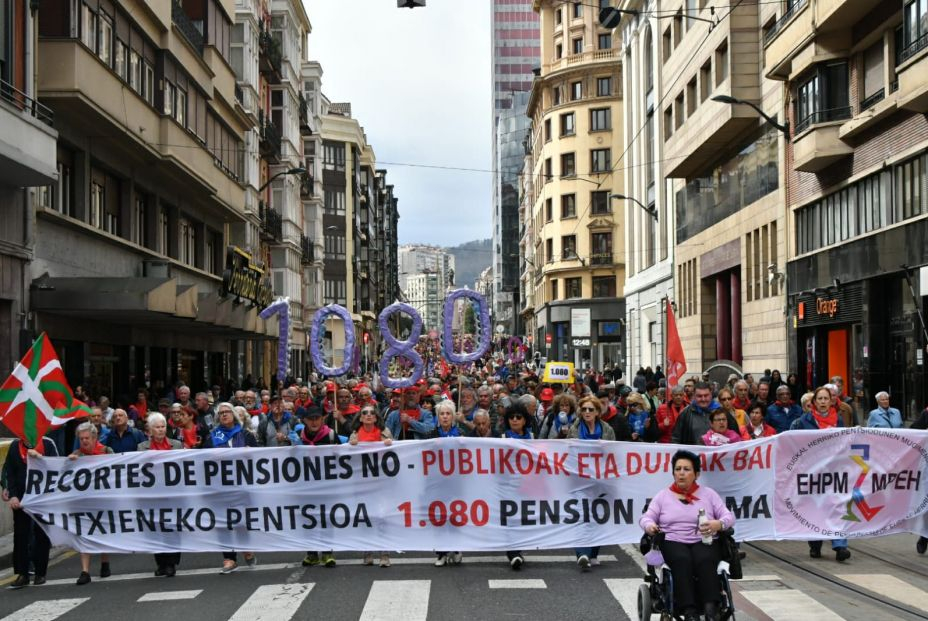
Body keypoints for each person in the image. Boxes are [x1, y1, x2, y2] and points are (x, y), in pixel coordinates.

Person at [640, 450, 735, 621]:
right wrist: (650, 526)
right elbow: (646, 518)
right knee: (682, 559)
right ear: (673, 473)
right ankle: (689, 611)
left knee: (705, 559)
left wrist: (718, 524)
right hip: (673, 540)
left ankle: (711, 608)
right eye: (678, 469)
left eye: (686, 469)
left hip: (704, 539)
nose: (681, 473)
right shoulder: (663, 496)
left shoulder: (709, 494)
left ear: (696, 474)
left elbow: (729, 517)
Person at [792, 387, 851, 562]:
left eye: (826, 398)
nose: (823, 402)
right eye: (820, 399)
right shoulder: (803, 421)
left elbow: (843, 443)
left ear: (831, 401)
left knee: (836, 506)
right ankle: (815, 544)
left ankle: (840, 545)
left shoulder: (838, 420)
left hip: (833, 471)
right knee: (814, 508)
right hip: (812, 472)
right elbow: (793, 443)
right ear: (814, 402)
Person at [3, 436, 59, 589]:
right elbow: (9, 471)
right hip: (21, 499)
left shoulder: (48, 444)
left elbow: (57, 467)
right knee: (21, 535)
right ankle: (22, 573)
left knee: (41, 533)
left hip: (42, 498)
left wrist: (40, 457)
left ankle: (40, 572)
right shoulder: (15, 446)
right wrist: (13, 495)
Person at [567, 395, 616, 571]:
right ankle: (582, 553)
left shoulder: (607, 429)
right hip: (579, 479)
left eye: (591, 409)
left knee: (598, 516)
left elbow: (614, 452)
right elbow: (568, 453)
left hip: (601, 480)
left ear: (597, 412)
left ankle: (593, 553)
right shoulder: (574, 429)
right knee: (582, 515)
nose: (587, 412)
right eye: (584, 409)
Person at [211, 403, 258, 573]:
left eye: (227, 412)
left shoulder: (246, 435)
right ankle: (229, 558)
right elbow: (201, 458)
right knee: (223, 522)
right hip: (220, 484)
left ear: (234, 415)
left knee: (241, 519)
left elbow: (260, 457)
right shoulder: (212, 437)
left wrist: (250, 452)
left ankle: (246, 548)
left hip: (242, 484)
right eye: (221, 413)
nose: (224, 415)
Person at [137, 413, 183, 577]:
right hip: (152, 495)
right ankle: (161, 563)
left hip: (172, 494)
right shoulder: (142, 447)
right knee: (155, 528)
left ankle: (171, 563)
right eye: (157, 427)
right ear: (150, 430)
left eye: (163, 426)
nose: (161, 430)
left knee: (171, 527)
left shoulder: (176, 445)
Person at [69, 422, 115, 585]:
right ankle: (85, 571)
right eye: (81, 439)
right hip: (84, 502)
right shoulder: (76, 456)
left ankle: (105, 562)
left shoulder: (106, 451)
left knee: (103, 532)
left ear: (95, 438)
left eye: (87, 438)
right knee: (84, 534)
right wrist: (69, 463)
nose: (84, 441)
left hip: (103, 500)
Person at [349, 406, 394, 567]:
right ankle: (367, 551)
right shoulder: (354, 435)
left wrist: (390, 444)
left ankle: (384, 554)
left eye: (372, 413)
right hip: (362, 483)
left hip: (381, 482)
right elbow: (349, 458)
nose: (368, 415)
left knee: (382, 517)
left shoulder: (385, 433)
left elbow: (396, 453)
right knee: (366, 517)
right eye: (365, 413)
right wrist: (351, 446)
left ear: (376, 418)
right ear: (360, 418)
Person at [298, 406, 340, 568]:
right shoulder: (299, 436)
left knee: (326, 517)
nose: (314, 422)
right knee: (308, 518)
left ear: (322, 419)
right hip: (305, 485)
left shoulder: (331, 435)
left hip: (326, 484)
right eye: (311, 419)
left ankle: (327, 552)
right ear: (305, 420)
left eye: (317, 418)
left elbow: (342, 456)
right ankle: (312, 553)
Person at [429, 401, 464, 567]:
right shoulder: (431, 434)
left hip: (456, 481)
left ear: (453, 416)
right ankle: (441, 552)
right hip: (437, 481)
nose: (444, 417)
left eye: (448, 414)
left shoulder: (461, 434)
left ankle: (456, 548)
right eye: (442, 414)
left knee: (456, 514)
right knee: (440, 516)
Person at [500, 401, 533, 570]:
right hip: (508, 485)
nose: (514, 420)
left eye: (518, 417)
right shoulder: (501, 438)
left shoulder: (532, 438)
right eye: (511, 417)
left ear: (524, 420)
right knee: (511, 519)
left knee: (523, 519)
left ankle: (518, 549)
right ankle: (513, 553)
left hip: (527, 485)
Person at [671, 383, 738, 446]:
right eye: (699, 396)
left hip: (718, 454)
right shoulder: (686, 414)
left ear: (711, 394)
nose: (703, 399)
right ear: (694, 395)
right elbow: (676, 439)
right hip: (693, 454)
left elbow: (736, 437)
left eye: (706, 395)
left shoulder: (723, 412)